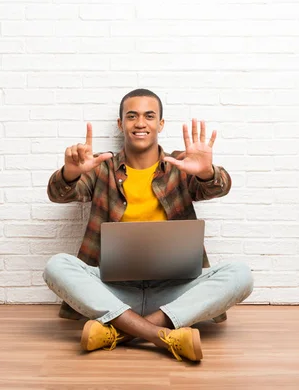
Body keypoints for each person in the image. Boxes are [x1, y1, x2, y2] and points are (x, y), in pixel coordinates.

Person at [44, 88, 254, 362]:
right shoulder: (100, 167)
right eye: (131, 116)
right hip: (115, 290)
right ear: (121, 124)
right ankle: (161, 335)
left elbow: (219, 187)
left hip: (172, 291)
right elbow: (58, 194)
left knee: (241, 274)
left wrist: (206, 172)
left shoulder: (180, 163)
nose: (140, 123)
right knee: (56, 266)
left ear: (160, 124)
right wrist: (70, 174)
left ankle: (121, 331)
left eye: (149, 116)